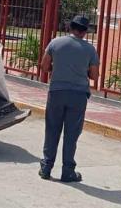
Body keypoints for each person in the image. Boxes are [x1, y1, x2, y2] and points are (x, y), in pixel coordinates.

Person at [39, 14, 99, 182]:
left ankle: (46, 167)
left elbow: (44, 67)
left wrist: (58, 68)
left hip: (56, 92)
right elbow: (94, 76)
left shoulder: (55, 43)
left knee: (52, 130)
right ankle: (68, 171)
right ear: (85, 32)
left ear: (70, 28)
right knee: (71, 134)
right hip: (78, 95)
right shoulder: (90, 50)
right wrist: (83, 70)